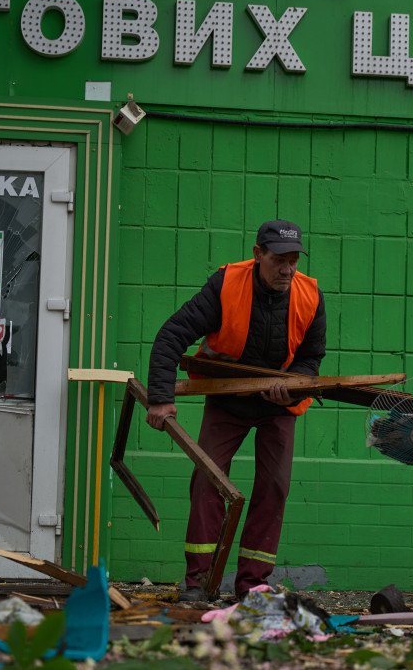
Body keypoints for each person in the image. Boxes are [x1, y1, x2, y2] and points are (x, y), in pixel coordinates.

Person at [145, 219, 326, 602]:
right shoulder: (225, 286)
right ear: (258, 254)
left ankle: (252, 586)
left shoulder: (310, 295)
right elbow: (172, 335)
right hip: (227, 398)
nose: (288, 269)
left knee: (274, 487)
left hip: (278, 406)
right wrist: (160, 396)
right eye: (279, 259)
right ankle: (198, 582)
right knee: (207, 481)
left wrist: (291, 389)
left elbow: (311, 359)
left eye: (294, 259)